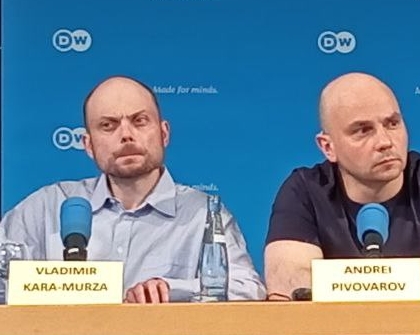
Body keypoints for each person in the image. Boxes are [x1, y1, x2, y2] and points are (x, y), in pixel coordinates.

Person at [0, 76, 265, 303]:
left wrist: (170, 289)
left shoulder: (203, 214)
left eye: (139, 121)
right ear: (88, 145)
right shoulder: (47, 207)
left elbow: (247, 289)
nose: (126, 135)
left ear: (164, 134)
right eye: (108, 125)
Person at [264, 72, 420, 299]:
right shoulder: (303, 190)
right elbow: (292, 289)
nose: (385, 142)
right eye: (363, 130)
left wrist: (348, 285)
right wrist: (404, 279)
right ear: (328, 147)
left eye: (392, 124)